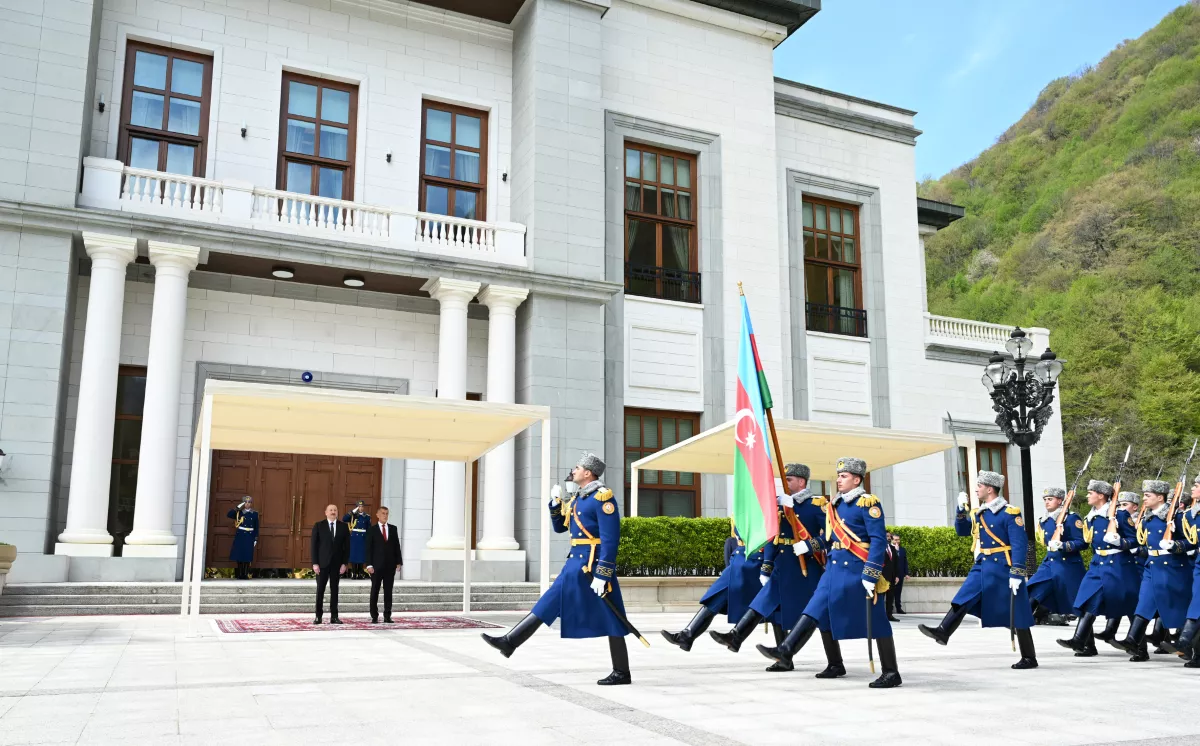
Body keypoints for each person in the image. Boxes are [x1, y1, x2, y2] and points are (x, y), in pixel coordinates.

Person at [481, 454, 632, 686]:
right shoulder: (579, 498)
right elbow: (561, 527)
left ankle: (621, 671)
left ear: (588, 473)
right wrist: (555, 503)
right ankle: (510, 641)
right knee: (550, 601)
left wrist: (603, 573)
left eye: (577, 467)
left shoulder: (603, 498)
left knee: (613, 616)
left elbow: (611, 539)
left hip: (591, 565)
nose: (573, 470)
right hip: (575, 564)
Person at [756, 456, 901, 688]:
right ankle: (791, 651)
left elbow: (878, 540)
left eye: (844, 476)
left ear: (856, 480)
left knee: (876, 620)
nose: (839, 480)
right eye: (838, 476)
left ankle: (891, 672)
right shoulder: (836, 505)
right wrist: (809, 545)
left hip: (858, 569)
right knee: (816, 609)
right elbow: (828, 539)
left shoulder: (867, 503)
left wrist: (871, 573)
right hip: (834, 568)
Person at [709, 463, 826, 672]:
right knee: (763, 603)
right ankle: (738, 637)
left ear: (801, 482)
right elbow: (774, 537)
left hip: (806, 567)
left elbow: (831, 536)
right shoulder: (781, 506)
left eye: (789, 479)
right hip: (783, 564)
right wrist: (767, 565)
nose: (785, 483)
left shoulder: (816, 505)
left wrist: (810, 545)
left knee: (816, 615)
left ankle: (833, 662)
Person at [919, 471, 1037, 669]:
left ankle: (1029, 657)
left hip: (1003, 566)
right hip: (983, 564)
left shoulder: (1009, 513)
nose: (976, 489)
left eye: (979, 486)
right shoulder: (979, 513)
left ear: (990, 489)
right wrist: (960, 510)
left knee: (1016, 612)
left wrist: (1017, 571)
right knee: (964, 596)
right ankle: (943, 630)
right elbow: (962, 531)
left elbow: (1019, 543)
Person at [1108, 479, 1194, 661]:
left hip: (1173, 567)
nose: (1144, 499)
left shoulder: (1177, 517)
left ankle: (1190, 647)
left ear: (1160, 497)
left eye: (1148, 495)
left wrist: (1175, 545)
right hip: (1152, 565)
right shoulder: (1148, 518)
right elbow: (1146, 545)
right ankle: (1133, 640)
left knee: (1180, 607)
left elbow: (1191, 541)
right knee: (1144, 603)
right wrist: (1129, 546)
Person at [1056, 480, 1139, 655]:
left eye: (1090, 492)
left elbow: (1135, 540)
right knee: (1087, 599)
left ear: (1101, 495)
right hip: (1098, 563)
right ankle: (1079, 640)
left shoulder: (1119, 515)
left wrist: (1119, 541)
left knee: (1129, 603)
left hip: (1118, 564)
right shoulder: (1091, 517)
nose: (1087, 496)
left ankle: (1140, 647)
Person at [661, 521, 764, 652]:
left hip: (756, 558)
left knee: (773, 608)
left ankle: (783, 653)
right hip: (741, 557)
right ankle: (687, 635)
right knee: (715, 595)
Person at [1027, 487, 1086, 626]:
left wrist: (1063, 545)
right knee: (1035, 587)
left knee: (1066, 596)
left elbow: (1082, 542)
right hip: (1050, 562)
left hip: (1067, 563)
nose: (1047, 502)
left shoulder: (1071, 518)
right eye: (1045, 499)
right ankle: (1024, 616)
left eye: (1050, 499)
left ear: (1060, 501)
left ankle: (1035, 616)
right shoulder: (1044, 520)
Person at [1092, 491, 1142, 644]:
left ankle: (1147, 639)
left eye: (1125, 504)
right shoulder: (1113, 517)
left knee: (1131, 600)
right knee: (1119, 598)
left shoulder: (1137, 519)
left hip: (1137, 563)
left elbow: (1141, 541)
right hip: (1121, 562)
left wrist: (1131, 547)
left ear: (1135, 507)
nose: (1121, 507)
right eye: (1120, 504)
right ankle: (1111, 630)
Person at [1162, 474, 1200, 665]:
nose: (1193, 488)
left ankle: (1184, 641)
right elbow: (1191, 541)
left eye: (1197, 485)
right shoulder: (1192, 515)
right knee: (1197, 604)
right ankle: (1194, 651)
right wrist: (1174, 545)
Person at [311, 503, 349, 625]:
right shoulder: (319, 526)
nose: (333, 512)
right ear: (326, 512)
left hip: (337, 564)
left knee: (335, 590)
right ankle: (318, 616)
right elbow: (314, 546)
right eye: (331, 510)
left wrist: (344, 563)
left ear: (337, 512)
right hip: (322, 564)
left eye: (335, 510)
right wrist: (315, 563)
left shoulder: (343, 526)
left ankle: (334, 616)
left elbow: (347, 547)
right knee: (320, 590)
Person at [364, 506, 403, 624]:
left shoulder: (393, 528)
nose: (385, 515)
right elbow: (368, 549)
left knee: (388, 592)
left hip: (390, 566)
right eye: (383, 513)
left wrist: (398, 562)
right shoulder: (372, 530)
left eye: (386, 513)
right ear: (377, 515)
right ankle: (374, 615)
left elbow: (396, 546)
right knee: (375, 591)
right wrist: (369, 565)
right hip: (376, 567)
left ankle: (387, 615)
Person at [226, 496, 258, 580]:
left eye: (249, 502)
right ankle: (240, 574)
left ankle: (245, 574)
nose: (247, 504)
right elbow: (229, 515)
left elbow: (256, 527)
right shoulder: (239, 513)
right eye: (245, 502)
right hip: (240, 536)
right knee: (240, 555)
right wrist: (237, 507)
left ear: (251, 503)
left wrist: (255, 538)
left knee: (247, 556)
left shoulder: (255, 513)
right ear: (243, 503)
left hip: (249, 536)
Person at [343, 501, 371, 579]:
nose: (361, 508)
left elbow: (369, 528)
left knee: (361, 555)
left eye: (362, 506)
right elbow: (344, 519)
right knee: (354, 555)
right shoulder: (353, 515)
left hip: (363, 537)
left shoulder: (367, 516)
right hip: (354, 537)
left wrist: (368, 538)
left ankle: (360, 572)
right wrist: (352, 512)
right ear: (357, 507)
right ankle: (354, 572)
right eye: (359, 506)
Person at [882, 533, 899, 622]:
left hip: (892, 577)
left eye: (889, 537)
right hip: (882, 576)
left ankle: (889, 615)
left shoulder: (892, 548)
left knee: (890, 597)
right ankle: (880, 616)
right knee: (881, 597)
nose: (888, 538)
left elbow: (896, 563)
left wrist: (896, 576)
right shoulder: (879, 547)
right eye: (887, 536)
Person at [891, 534, 909, 614]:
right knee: (890, 593)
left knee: (898, 592)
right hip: (891, 575)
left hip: (900, 574)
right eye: (895, 540)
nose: (897, 541)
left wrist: (906, 573)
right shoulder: (889, 549)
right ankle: (890, 609)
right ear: (892, 540)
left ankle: (899, 608)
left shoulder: (902, 550)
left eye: (898, 539)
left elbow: (905, 562)